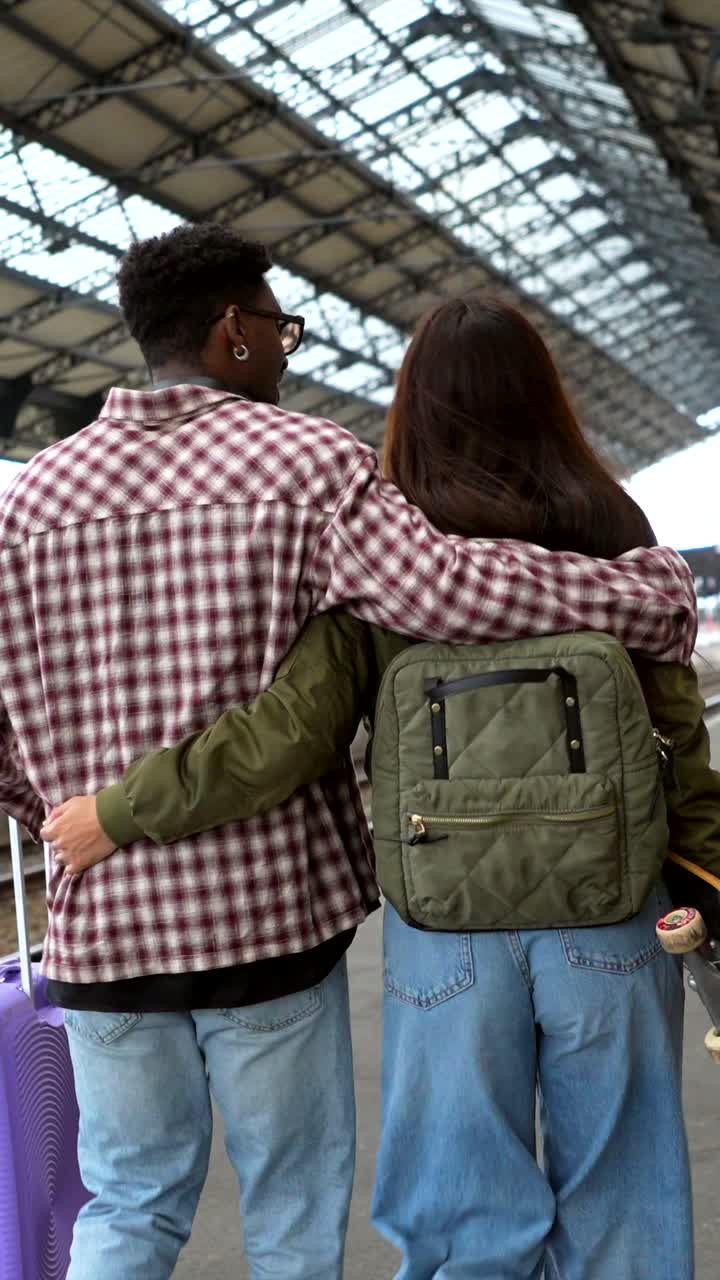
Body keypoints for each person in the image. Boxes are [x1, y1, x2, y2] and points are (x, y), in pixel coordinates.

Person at [0, 228, 695, 1280]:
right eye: (280, 328)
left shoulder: (27, 502)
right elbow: (641, 710)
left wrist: (73, 814)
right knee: (319, 1218)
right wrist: (651, 596)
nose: (284, 349)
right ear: (233, 330)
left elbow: (290, 720)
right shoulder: (327, 472)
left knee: (141, 1202)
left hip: (193, 919)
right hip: (331, 912)